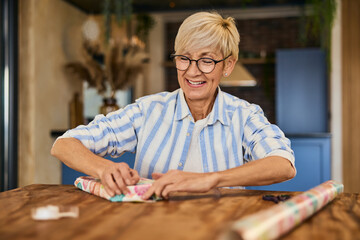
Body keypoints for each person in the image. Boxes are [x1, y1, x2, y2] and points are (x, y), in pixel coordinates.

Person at [51, 11, 296, 200]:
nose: (192, 71)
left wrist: (210, 180)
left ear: (228, 66)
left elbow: (283, 164)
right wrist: (104, 168)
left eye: (207, 60)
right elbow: (63, 144)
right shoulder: (148, 110)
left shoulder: (245, 115)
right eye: (184, 58)